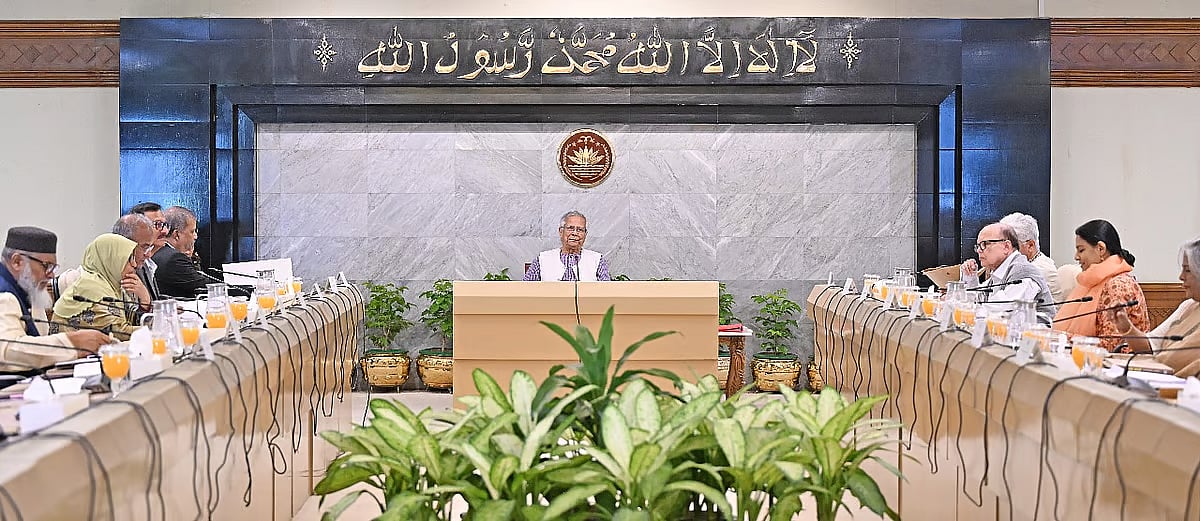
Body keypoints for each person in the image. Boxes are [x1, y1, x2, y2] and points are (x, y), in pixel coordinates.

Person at [0, 226, 110, 371]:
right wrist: (72, 342)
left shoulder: (25, 289)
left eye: (53, 268)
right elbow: (8, 351)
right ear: (17, 262)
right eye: (46, 266)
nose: (51, 275)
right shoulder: (4, 294)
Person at [1053, 219, 1149, 352]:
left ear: (1100, 249)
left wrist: (1062, 339)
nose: (1076, 257)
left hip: (1118, 367)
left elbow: (1111, 345)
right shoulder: (1092, 281)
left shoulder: (1117, 285)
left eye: (1081, 250)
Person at [1115, 237, 1200, 376]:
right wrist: (1126, 327)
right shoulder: (1188, 306)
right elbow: (1150, 346)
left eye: (1188, 270)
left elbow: (1170, 361)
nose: (1181, 276)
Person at [961, 222, 1056, 324]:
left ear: (1006, 246)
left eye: (984, 244)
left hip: (1036, 337)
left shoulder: (1024, 272)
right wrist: (970, 277)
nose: (979, 251)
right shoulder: (1000, 271)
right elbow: (977, 300)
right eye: (978, 246)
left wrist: (958, 305)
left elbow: (1001, 311)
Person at [51, 234, 142, 339]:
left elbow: (130, 319)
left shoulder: (111, 286)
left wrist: (145, 299)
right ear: (111, 259)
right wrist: (154, 331)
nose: (134, 265)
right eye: (129, 259)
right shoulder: (91, 287)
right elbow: (119, 333)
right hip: (69, 353)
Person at [523, 211, 612, 282]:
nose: (575, 233)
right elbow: (525, 290)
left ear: (585, 234)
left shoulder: (597, 260)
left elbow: (607, 292)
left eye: (580, 230)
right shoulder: (542, 259)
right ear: (561, 231)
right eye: (570, 228)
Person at [999, 212, 1067, 301]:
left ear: (1030, 245)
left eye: (1009, 245)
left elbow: (1004, 306)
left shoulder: (1038, 270)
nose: (1002, 250)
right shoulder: (1021, 265)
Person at [152, 206, 211, 298]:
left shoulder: (159, 252)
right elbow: (205, 286)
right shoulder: (173, 259)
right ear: (176, 234)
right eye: (192, 231)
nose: (195, 236)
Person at [131, 202, 167, 299]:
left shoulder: (148, 262)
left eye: (164, 224)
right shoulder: (132, 264)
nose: (165, 231)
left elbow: (153, 298)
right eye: (157, 224)